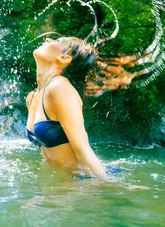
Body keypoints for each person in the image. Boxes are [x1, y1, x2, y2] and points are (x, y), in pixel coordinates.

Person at [25, 35, 152, 179]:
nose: (48, 39)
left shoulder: (59, 88)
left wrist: (109, 186)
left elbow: (83, 150)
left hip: (89, 179)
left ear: (65, 58)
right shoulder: (33, 97)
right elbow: (47, 154)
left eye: (58, 42)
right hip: (69, 183)